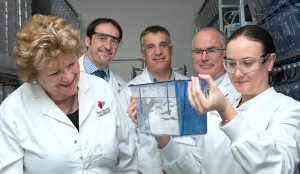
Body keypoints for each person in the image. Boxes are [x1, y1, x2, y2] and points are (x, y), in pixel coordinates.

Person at [0, 14, 137, 173]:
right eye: (55, 72)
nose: (69, 76)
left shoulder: (101, 88)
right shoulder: (12, 111)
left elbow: (126, 156)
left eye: (71, 63)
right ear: (34, 74)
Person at [188, 25, 300, 173]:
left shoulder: (288, 109)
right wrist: (164, 141)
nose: (237, 73)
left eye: (247, 63)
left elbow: (279, 168)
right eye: (232, 64)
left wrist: (226, 110)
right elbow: (199, 165)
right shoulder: (218, 107)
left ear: (270, 61)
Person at [127, 27, 240, 173]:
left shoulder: (238, 92)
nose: (204, 57)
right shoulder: (192, 89)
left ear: (226, 53)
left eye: (211, 50)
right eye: (198, 51)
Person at [120, 25, 189, 174]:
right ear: (143, 54)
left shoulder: (189, 87)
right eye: (150, 47)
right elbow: (130, 142)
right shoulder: (128, 91)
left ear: (171, 49)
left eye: (163, 45)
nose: (158, 52)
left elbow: (195, 137)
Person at [79, 18, 126, 96]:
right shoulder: (69, 79)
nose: (108, 47)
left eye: (114, 41)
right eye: (102, 38)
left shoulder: (123, 86)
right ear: (88, 41)